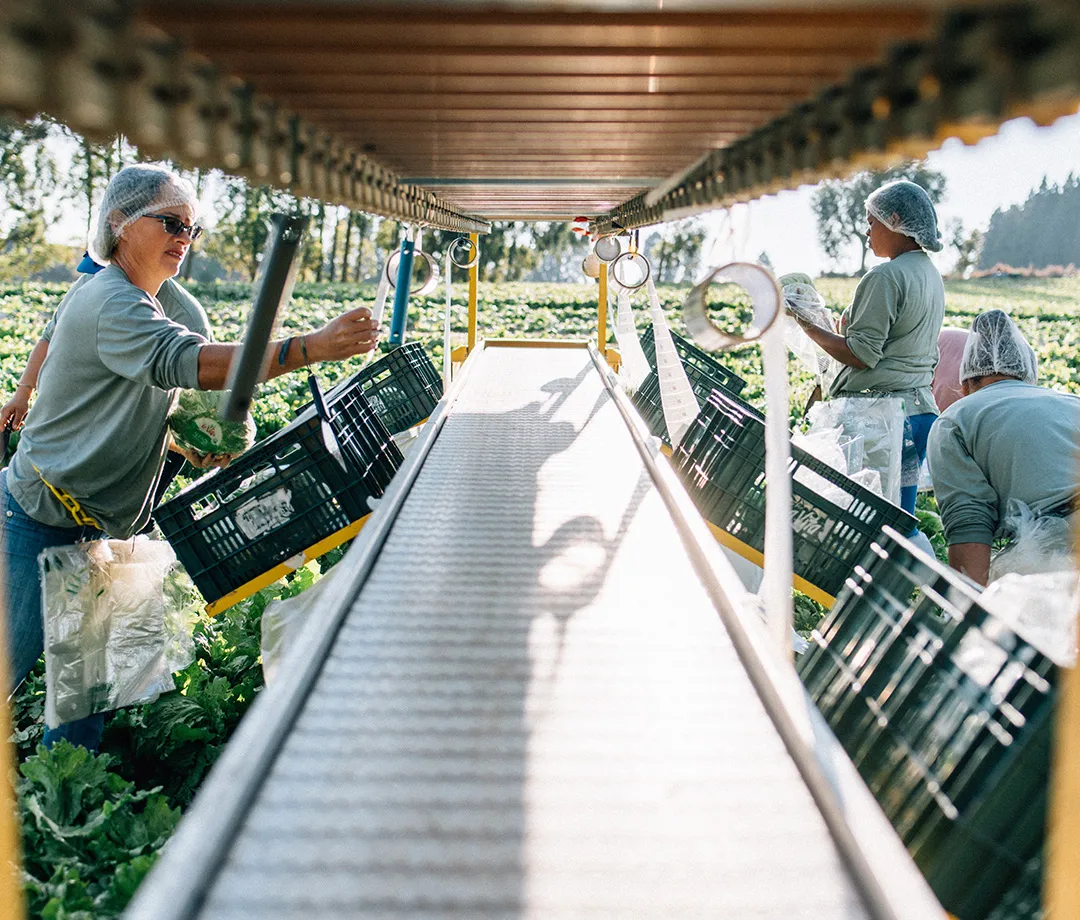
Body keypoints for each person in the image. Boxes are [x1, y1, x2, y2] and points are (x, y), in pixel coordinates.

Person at [1, 163, 380, 748]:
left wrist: (183, 442)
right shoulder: (108, 300)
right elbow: (195, 365)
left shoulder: (164, 304)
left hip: (100, 529)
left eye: (193, 229)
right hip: (38, 519)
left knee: (86, 703)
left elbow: (151, 394)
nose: (185, 238)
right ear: (120, 225)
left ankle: (66, 825)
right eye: (172, 223)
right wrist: (310, 348)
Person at [794, 180, 945, 520]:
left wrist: (807, 325)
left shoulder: (886, 276)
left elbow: (861, 354)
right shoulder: (929, 275)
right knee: (897, 518)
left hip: (884, 418)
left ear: (894, 221)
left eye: (872, 221)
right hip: (918, 413)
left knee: (865, 521)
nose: (867, 231)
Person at [927, 310, 1080, 586]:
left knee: (1007, 599)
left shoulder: (955, 421)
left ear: (964, 385)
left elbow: (969, 529)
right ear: (1027, 375)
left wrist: (963, 613)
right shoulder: (1071, 402)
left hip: (1060, 553)